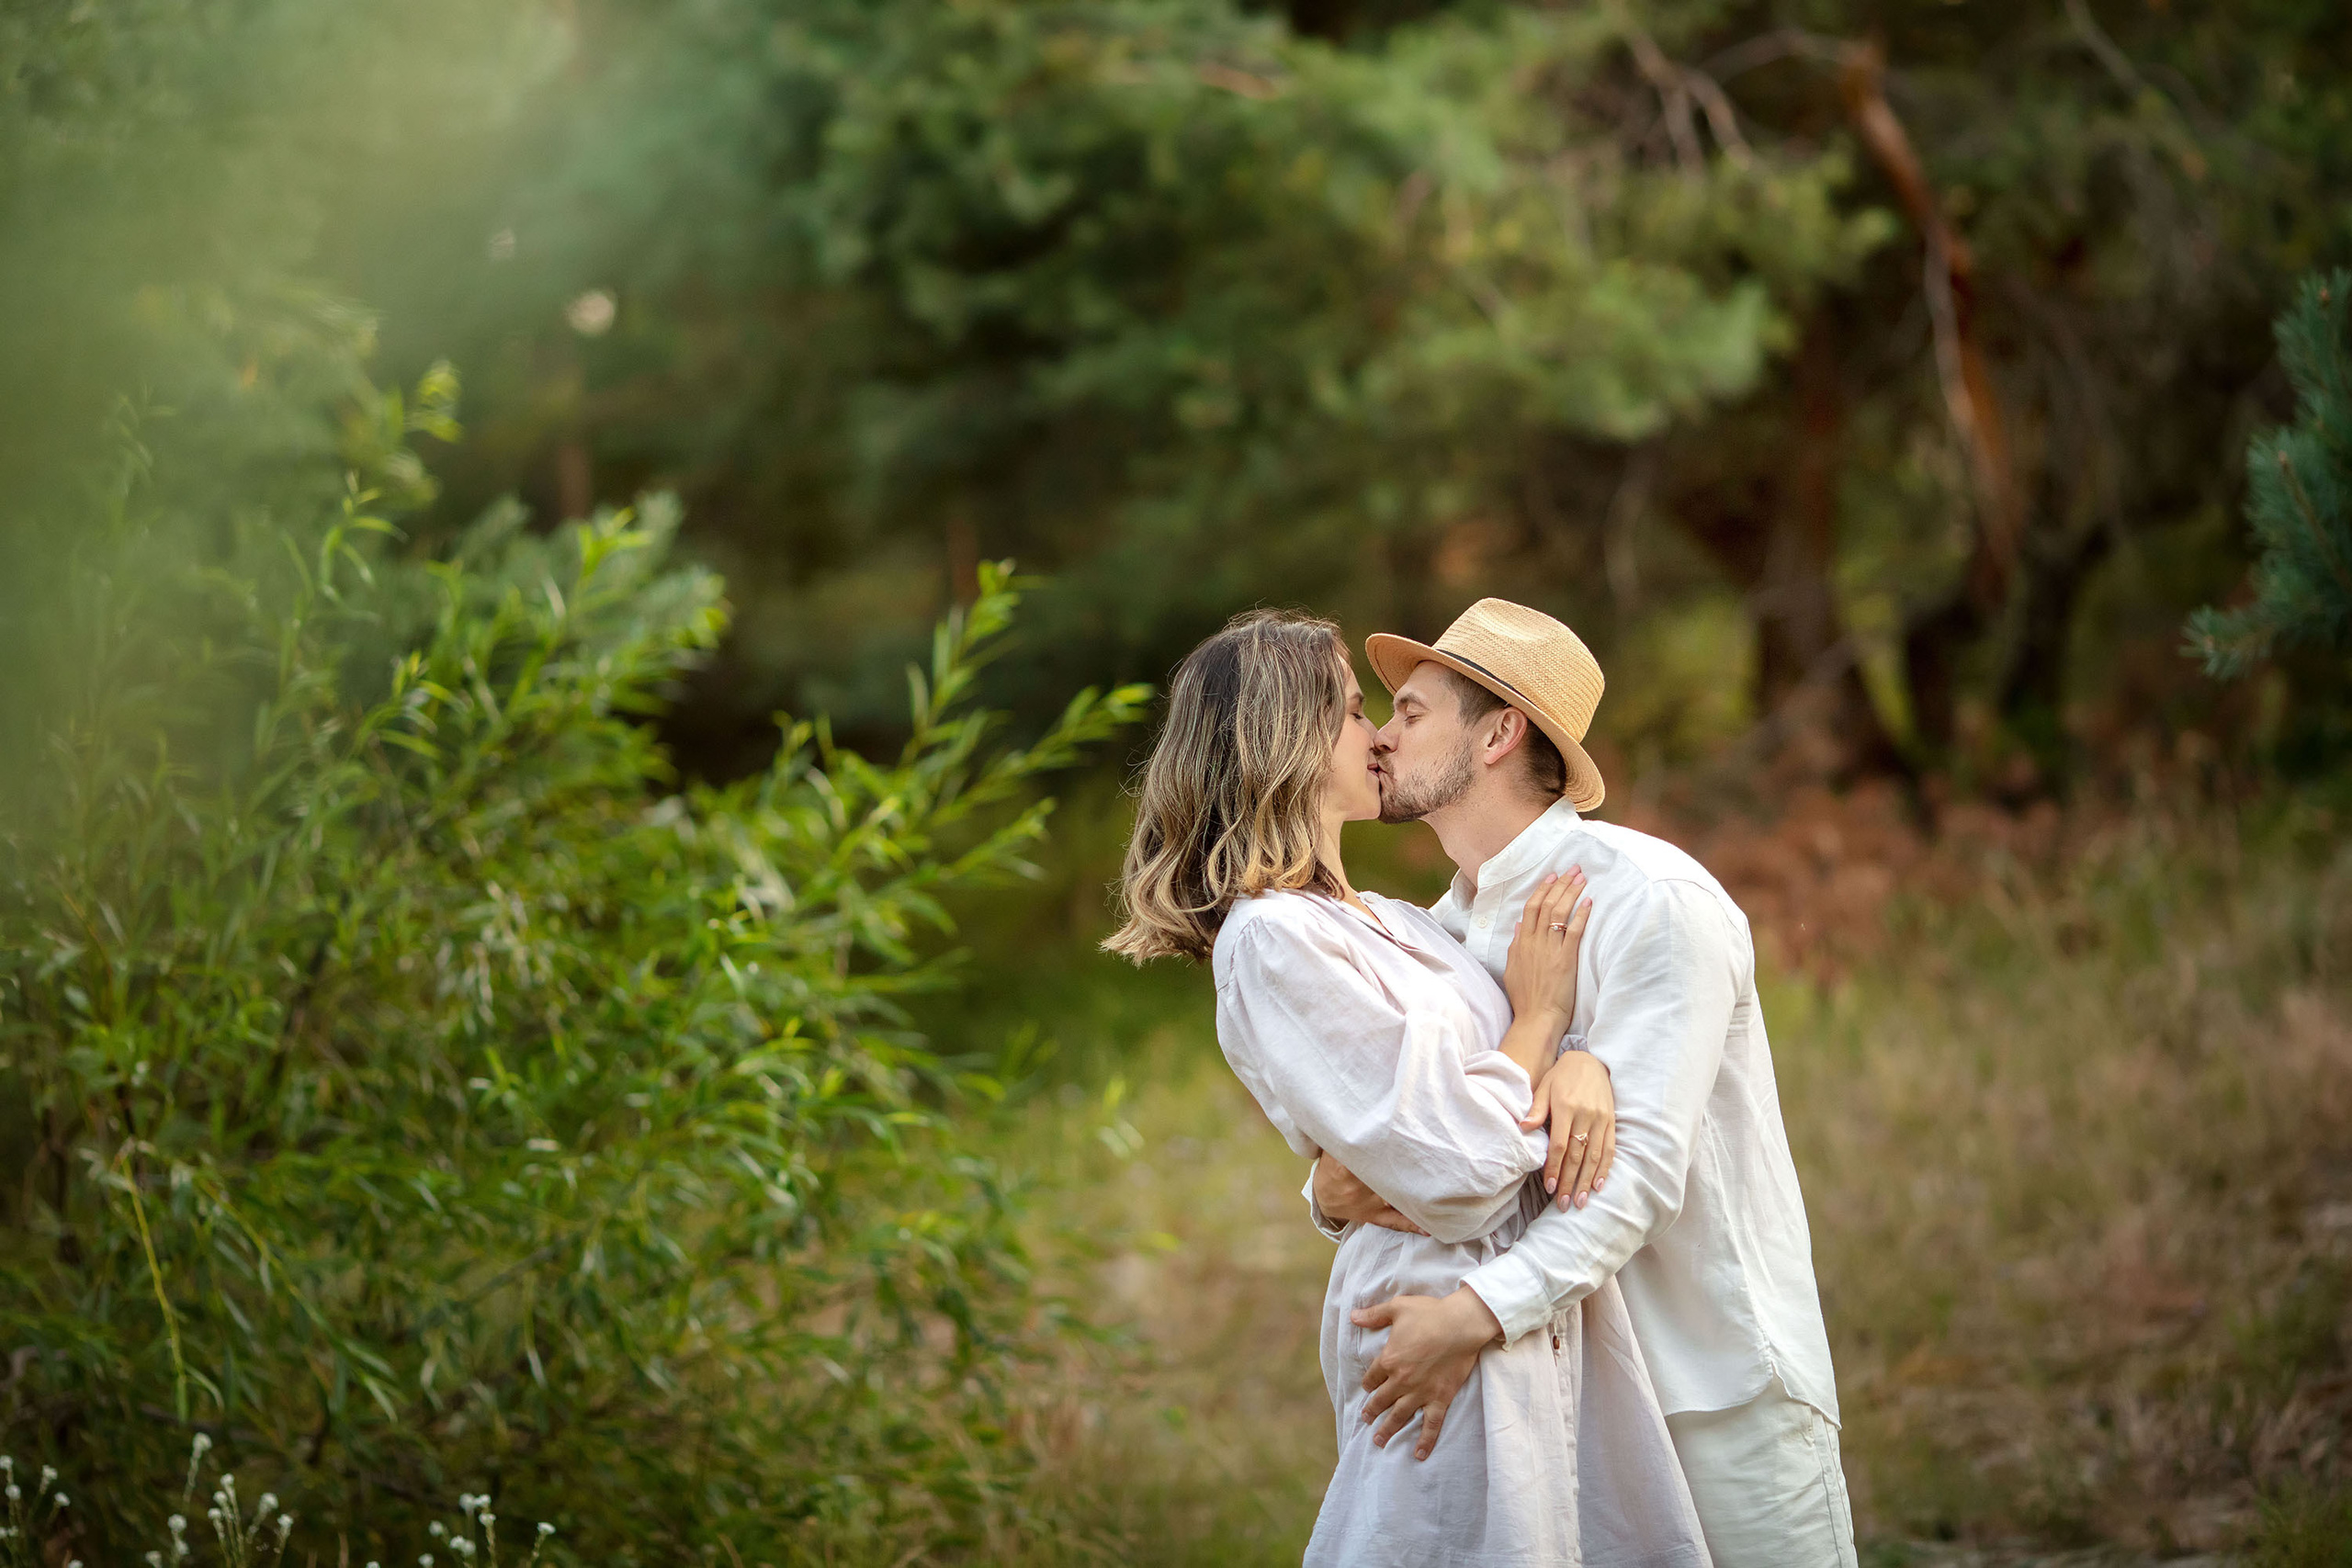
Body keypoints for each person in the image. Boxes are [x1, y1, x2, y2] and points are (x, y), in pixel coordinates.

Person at [1104, 608, 1710, 1568]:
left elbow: (1477, 1102)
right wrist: (1542, 1026)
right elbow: (1464, 1166)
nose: (1374, 732)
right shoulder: (1273, 940)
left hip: (1522, 1318)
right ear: (1287, 738)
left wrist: (1582, 1057)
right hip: (1429, 1323)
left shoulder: (1401, 922)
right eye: (1351, 711)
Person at [1316, 597, 1857, 1567]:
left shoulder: (1652, 901)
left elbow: (1639, 1175)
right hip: (1560, 1409)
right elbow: (1402, 1140)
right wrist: (1323, 1190)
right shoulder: (1429, 935)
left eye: (1409, 712)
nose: (1381, 738)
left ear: (1498, 733)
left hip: (1713, 1393)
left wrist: (1468, 1320)